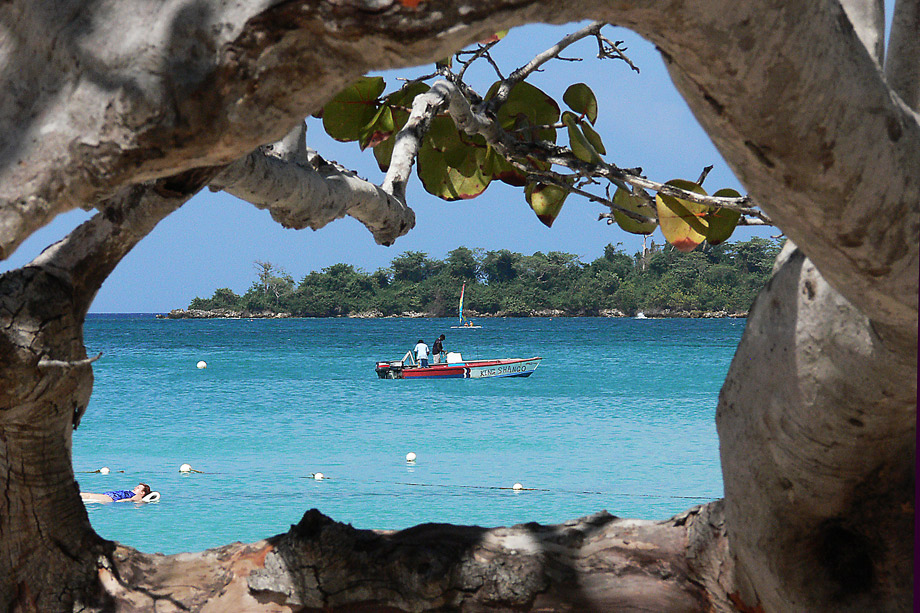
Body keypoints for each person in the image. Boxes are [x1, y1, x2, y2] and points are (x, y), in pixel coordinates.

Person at [81, 483, 151, 503]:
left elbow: (131, 500)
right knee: (88, 495)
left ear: (142, 492)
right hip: (109, 495)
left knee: (89, 496)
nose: (135, 487)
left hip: (111, 498)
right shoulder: (132, 492)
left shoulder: (137, 496)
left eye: (138, 488)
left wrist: (119, 501)